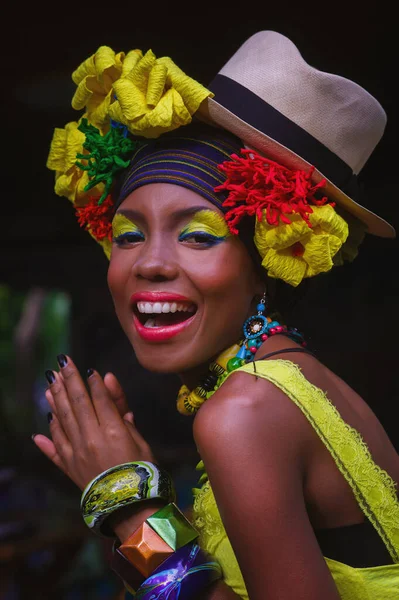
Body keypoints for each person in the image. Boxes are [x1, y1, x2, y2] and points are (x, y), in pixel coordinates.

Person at [33, 31, 399, 599]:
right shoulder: (293, 383)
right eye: (128, 235)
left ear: (269, 261)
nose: (150, 264)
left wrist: (129, 505)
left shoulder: (245, 412)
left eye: (198, 237)